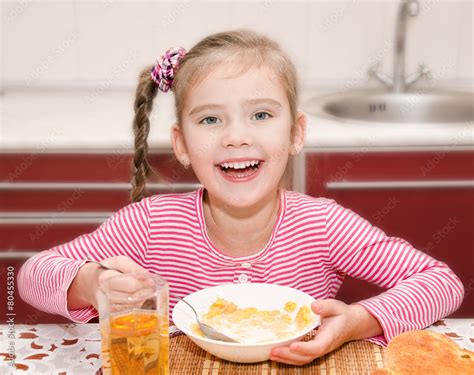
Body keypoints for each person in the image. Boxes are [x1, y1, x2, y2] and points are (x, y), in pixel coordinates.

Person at [18, 29, 464, 366]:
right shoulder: (151, 224)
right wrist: (93, 283)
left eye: (261, 114)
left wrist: (357, 322)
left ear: (296, 133)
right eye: (210, 120)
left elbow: (442, 282)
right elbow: (34, 274)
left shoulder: (324, 225)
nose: (236, 137)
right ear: (181, 145)